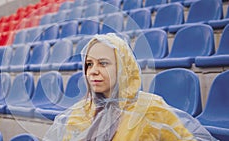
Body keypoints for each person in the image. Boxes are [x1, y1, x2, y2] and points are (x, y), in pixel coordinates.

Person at [43, 33, 217, 140]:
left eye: (103, 63)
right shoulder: (80, 112)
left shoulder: (151, 109)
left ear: (122, 67)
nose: (93, 71)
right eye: (89, 64)